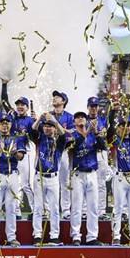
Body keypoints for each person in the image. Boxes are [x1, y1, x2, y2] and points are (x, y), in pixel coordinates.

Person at [0, 115, 25, 246]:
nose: (5, 125)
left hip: (12, 175)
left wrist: (13, 153)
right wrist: (0, 150)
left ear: (11, 125)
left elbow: (21, 156)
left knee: (11, 207)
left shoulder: (16, 139)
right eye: (2, 123)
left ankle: (12, 237)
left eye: (7, 123)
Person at [68, 111, 106, 245]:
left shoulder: (92, 135)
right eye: (77, 117)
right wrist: (87, 132)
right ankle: (76, 236)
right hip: (77, 174)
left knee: (93, 207)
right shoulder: (71, 135)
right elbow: (76, 145)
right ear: (74, 122)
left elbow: (103, 146)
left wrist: (95, 132)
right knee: (77, 207)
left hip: (92, 173)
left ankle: (92, 237)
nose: (81, 119)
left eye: (83, 117)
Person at [29, 113, 67, 245]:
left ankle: (54, 236)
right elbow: (32, 129)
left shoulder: (59, 142)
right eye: (45, 126)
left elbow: (63, 135)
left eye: (49, 127)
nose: (47, 128)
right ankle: (37, 235)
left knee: (55, 208)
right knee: (38, 207)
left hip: (53, 178)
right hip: (39, 176)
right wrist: (40, 118)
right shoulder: (39, 139)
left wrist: (55, 121)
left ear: (54, 128)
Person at [1, 79, 35, 221]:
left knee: (27, 184)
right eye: (18, 105)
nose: (20, 107)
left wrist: (36, 121)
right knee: (15, 183)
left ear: (27, 107)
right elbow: (3, 101)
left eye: (23, 105)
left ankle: (35, 209)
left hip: (26, 153)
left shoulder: (30, 120)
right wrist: (4, 85)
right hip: (12, 154)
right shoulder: (12, 117)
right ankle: (17, 211)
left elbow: (35, 136)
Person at [107, 118, 130, 246]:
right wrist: (113, 114)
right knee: (118, 208)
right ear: (118, 128)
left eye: (128, 126)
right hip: (120, 177)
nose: (125, 128)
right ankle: (116, 236)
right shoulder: (115, 141)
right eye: (122, 126)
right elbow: (109, 133)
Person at [49, 91, 74, 219]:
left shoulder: (70, 117)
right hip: (49, 152)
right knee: (49, 181)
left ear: (63, 101)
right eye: (54, 97)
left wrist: (58, 128)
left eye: (57, 97)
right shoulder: (48, 115)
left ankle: (65, 209)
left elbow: (72, 134)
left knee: (65, 181)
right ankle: (49, 209)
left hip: (63, 152)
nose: (54, 98)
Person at [86, 97, 110, 218]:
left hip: (100, 152)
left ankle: (102, 210)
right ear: (88, 107)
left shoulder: (103, 120)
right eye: (91, 106)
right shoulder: (83, 120)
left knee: (101, 183)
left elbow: (104, 136)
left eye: (95, 106)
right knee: (85, 181)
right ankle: (85, 210)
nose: (94, 108)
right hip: (88, 152)